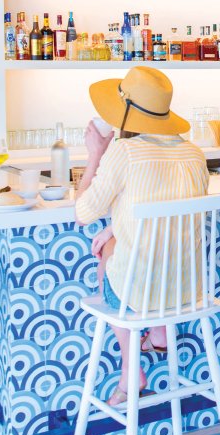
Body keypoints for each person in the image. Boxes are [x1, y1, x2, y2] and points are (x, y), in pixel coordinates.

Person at [73, 66, 207, 406]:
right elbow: (168, 209)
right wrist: (116, 227)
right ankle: (160, 332)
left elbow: (83, 212)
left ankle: (131, 370)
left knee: (110, 254)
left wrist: (95, 154)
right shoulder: (195, 153)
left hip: (140, 291)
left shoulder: (125, 152)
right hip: (189, 290)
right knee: (116, 242)